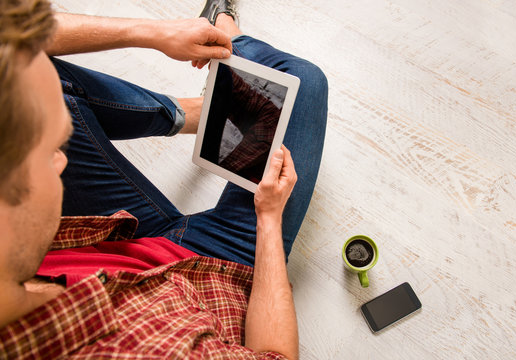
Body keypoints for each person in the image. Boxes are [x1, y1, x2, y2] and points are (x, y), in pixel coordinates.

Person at [0, 0, 328, 358]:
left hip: (118, 235)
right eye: (48, 156)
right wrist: (268, 217)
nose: (61, 158)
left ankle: (196, 113)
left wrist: (152, 32)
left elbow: (11, 40)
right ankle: (227, 31)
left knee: (29, 84)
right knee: (303, 80)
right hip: (215, 269)